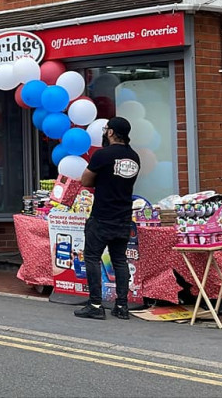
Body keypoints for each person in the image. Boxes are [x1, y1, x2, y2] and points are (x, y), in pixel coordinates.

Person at [76, 117, 141, 321]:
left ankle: (95, 304)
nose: (105, 133)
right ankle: (122, 305)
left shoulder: (102, 155)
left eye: (106, 130)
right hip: (123, 216)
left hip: (102, 215)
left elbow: (85, 180)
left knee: (92, 258)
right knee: (120, 260)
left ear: (111, 132)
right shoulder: (134, 157)